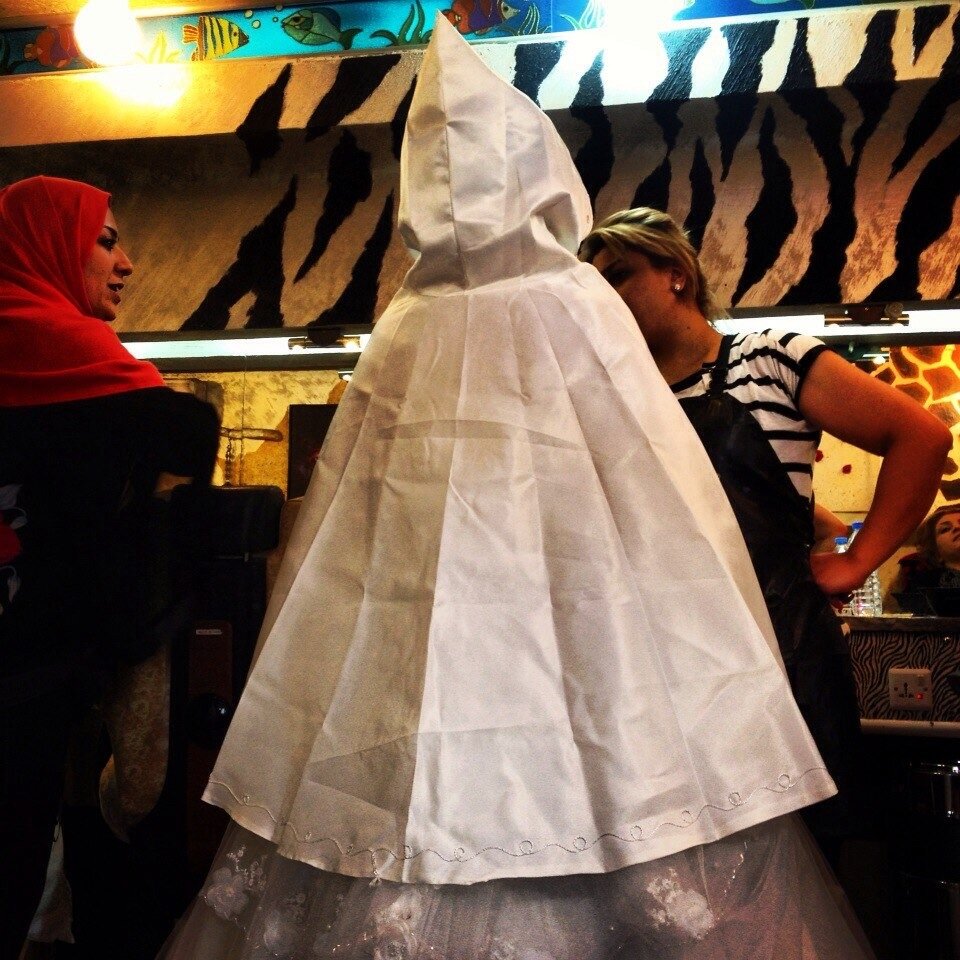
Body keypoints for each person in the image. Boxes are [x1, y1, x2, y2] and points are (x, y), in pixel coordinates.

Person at [160, 17, 875, 960]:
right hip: (583, 634)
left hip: (415, 642)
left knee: (405, 815)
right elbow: (666, 496)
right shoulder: (575, 303)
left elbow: (340, 517)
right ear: (539, 171)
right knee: (611, 810)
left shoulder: (406, 322)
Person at [578, 206, 951, 851]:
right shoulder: (613, 395)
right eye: (593, 286)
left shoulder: (768, 356)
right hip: (664, 663)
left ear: (675, 273)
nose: (604, 297)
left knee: (812, 848)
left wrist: (856, 560)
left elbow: (920, 437)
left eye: (619, 276)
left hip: (784, 654)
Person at [0, 174, 220, 955]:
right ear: (45, 246)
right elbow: (184, 445)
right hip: (31, 685)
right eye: (104, 240)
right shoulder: (90, 366)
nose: (125, 262)